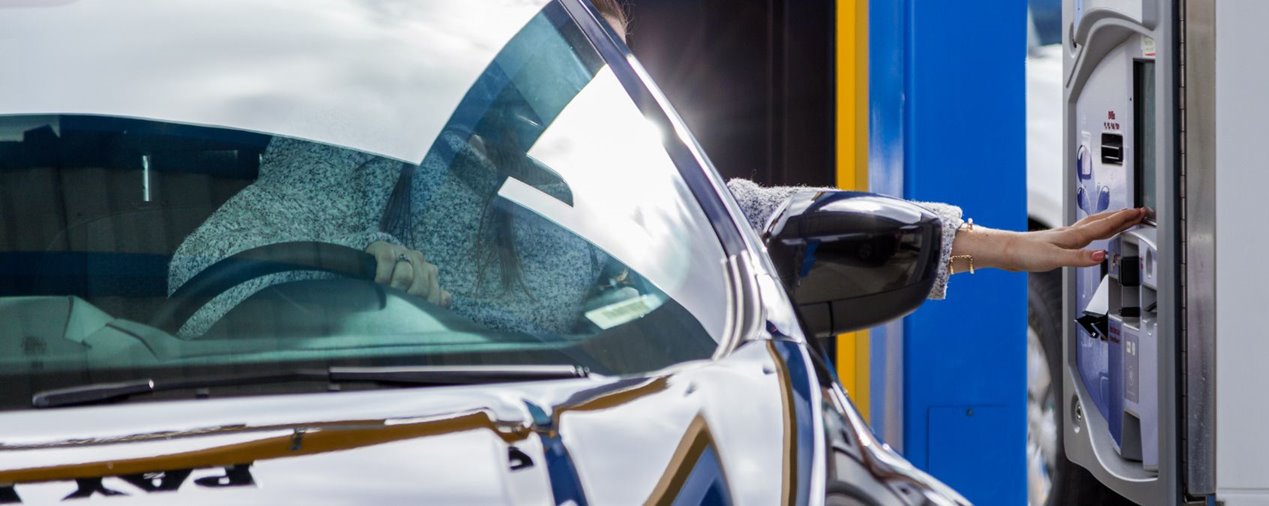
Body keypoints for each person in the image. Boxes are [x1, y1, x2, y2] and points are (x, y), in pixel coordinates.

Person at [167, 1, 1145, 338]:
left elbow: (751, 215)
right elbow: (223, 268)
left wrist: (1012, 245)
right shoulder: (370, 153)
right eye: (552, 81)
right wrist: (363, 299)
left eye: (601, 83)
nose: (565, 108)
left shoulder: (603, 183)